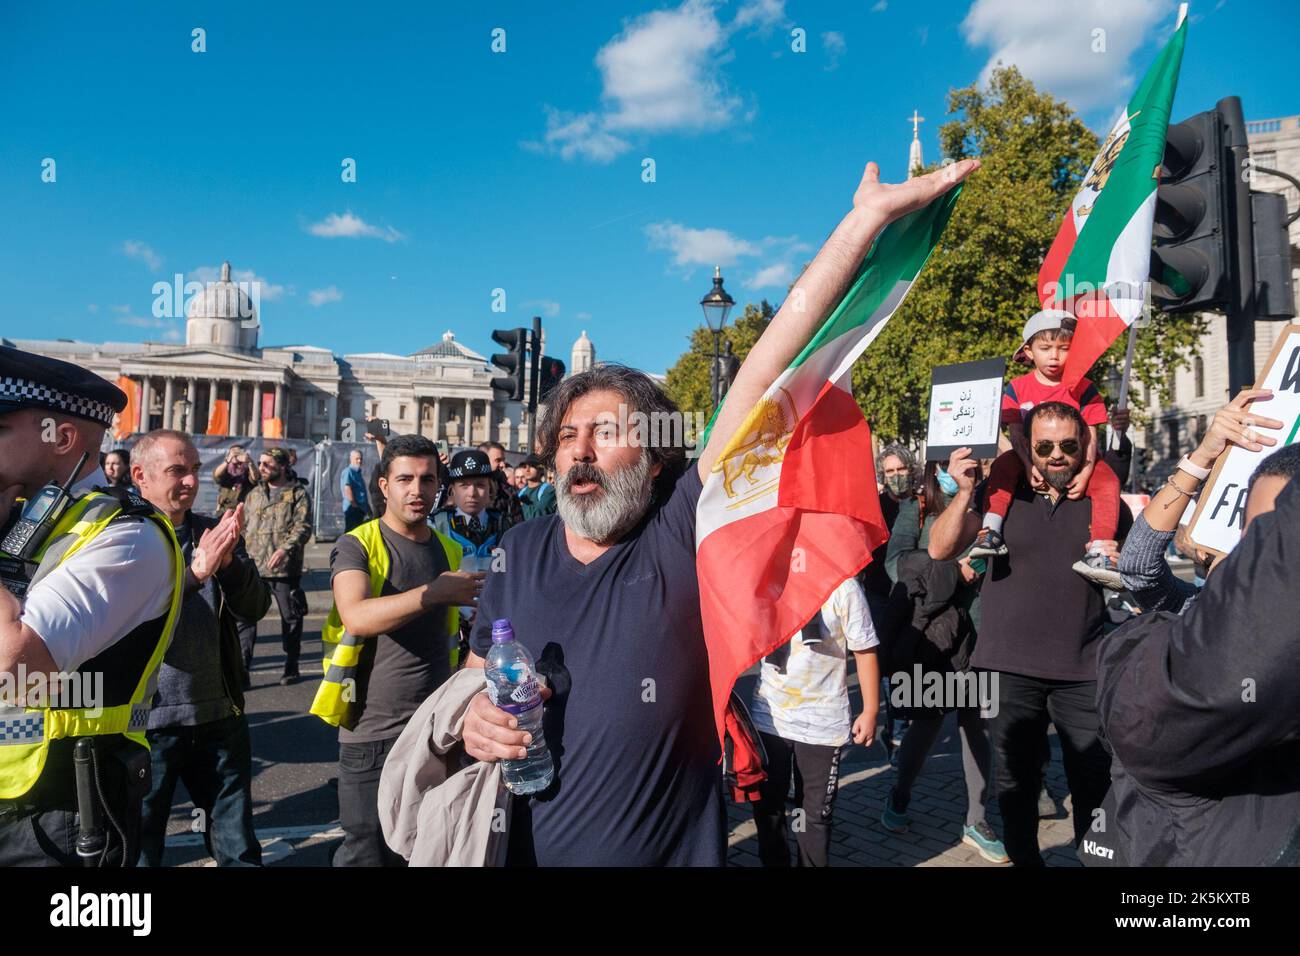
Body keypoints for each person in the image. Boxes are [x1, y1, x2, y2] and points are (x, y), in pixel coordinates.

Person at [458, 155, 980, 866]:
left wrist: (861, 224)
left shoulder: (680, 534)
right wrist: (473, 720)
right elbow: (474, 673)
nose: (579, 452)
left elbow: (767, 368)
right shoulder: (517, 549)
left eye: (606, 433)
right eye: (566, 439)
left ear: (653, 456)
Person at [1094, 390, 1298, 865]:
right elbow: (1141, 569)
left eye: (1275, 536)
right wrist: (1204, 456)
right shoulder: (1198, 607)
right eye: (1253, 530)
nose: (1259, 547)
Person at [0, 346, 184, 867]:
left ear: (61, 437)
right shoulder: (17, 518)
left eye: (0, 430)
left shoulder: (127, 536)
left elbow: (16, 664)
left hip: (55, 818)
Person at [927, 400, 1131, 866]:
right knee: (1015, 784)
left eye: (1067, 445)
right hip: (1006, 668)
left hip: (1084, 670)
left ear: (1084, 446)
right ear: (1027, 446)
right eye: (1043, 445)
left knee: (1096, 786)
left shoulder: (1105, 500)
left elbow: (1142, 568)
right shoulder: (1002, 490)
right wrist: (962, 493)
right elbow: (941, 549)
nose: (1056, 454)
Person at [323, 434, 483, 866]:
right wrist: (432, 593)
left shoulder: (449, 549)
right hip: (371, 732)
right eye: (405, 479)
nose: (418, 490)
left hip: (436, 730)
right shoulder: (357, 544)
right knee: (367, 853)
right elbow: (355, 615)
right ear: (384, 485)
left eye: (428, 480)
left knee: (425, 848)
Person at [131, 430, 270, 867]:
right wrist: (195, 573)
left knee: (237, 843)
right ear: (141, 475)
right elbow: (131, 616)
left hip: (218, 715)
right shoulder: (122, 536)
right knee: (139, 844)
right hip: (146, 722)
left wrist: (227, 565)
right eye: (177, 471)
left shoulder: (212, 529)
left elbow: (255, 606)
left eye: (193, 469)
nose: (190, 481)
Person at [878, 461, 1007, 864]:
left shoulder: (995, 506)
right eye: (962, 460)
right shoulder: (916, 506)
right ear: (939, 466)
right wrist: (953, 571)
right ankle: (899, 797)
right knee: (927, 723)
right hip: (933, 639)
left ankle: (977, 820)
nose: (974, 467)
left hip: (981, 636)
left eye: (981, 461)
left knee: (977, 724)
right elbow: (897, 565)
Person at [969, 311, 1124, 589]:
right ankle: (990, 531)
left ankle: (1100, 548)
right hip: (1028, 458)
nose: (1055, 356)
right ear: (1028, 351)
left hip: (1076, 462)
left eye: (1064, 349)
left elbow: (1090, 435)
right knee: (1002, 467)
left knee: (1109, 482)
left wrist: (1087, 469)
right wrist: (1027, 465)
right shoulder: (1016, 388)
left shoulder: (1085, 389)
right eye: (1045, 348)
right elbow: (1015, 435)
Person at [749, 576, 879, 867]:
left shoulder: (845, 587)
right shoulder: (765, 573)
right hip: (770, 717)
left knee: (813, 817)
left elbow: (865, 649)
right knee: (767, 806)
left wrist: (870, 710)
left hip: (823, 723)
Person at [860, 443, 917, 760]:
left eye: (901, 470)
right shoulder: (874, 506)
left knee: (907, 662)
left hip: (914, 596)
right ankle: (897, 730)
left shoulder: (922, 503)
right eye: (890, 472)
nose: (896, 476)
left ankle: (903, 722)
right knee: (887, 663)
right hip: (880, 595)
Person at [240, 447, 312, 685]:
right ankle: (242, 671)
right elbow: (244, 526)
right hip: (254, 567)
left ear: (281, 467)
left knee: (291, 619)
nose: (261, 469)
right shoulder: (254, 493)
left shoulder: (297, 494)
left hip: (283, 570)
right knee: (245, 620)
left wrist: (284, 549)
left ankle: (291, 667)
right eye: (260, 464)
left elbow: (302, 527)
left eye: (267, 464)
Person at [478, 440, 524, 525]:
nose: (503, 465)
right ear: (483, 461)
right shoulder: (471, 491)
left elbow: (519, 524)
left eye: (503, 460)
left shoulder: (509, 492)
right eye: (498, 460)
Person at [213, 445, 255, 514]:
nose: (235, 455)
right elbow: (216, 475)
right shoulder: (226, 469)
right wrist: (228, 460)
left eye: (238, 453)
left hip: (243, 509)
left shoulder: (248, 469)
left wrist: (250, 462)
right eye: (233, 452)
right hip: (225, 509)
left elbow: (255, 478)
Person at [515, 454, 556, 520]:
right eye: (525, 466)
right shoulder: (521, 492)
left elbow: (538, 515)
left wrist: (522, 506)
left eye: (531, 466)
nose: (527, 470)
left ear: (541, 469)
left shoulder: (549, 490)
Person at [340, 449, 369, 532]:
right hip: (353, 509)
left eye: (360, 459)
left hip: (360, 509)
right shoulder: (348, 471)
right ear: (351, 459)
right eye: (357, 459)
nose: (359, 461)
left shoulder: (358, 473)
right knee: (351, 534)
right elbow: (347, 488)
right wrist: (354, 504)